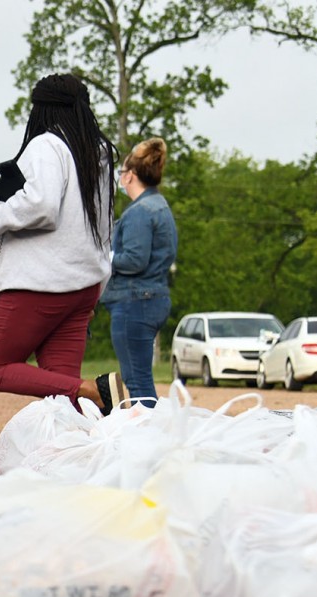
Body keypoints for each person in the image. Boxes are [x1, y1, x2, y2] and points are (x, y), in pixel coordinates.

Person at [0, 72, 129, 416]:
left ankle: (90, 389)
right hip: (83, 286)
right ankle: (75, 458)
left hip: (39, 285)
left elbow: (42, 207)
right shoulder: (99, 154)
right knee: (61, 399)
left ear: (41, 109)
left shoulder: (47, 145)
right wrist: (97, 288)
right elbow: (103, 227)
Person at [101, 138, 177, 404]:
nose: (120, 179)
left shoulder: (139, 213)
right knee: (140, 378)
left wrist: (105, 257)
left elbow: (134, 260)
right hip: (152, 298)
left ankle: (149, 438)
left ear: (130, 176)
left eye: (121, 173)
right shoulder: (159, 206)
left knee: (136, 380)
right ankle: (149, 434)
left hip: (135, 302)